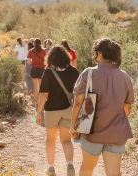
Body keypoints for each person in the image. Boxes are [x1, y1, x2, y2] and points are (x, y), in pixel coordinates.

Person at [70, 38, 134, 176]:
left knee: (87, 168)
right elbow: (127, 107)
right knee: (113, 172)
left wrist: (73, 126)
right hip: (116, 133)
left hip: (92, 131)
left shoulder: (89, 73)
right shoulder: (124, 76)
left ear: (98, 53)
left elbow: (77, 103)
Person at [36, 46, 79, 176]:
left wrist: (38, 113)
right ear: (66, 56)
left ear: (51, 58)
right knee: (66, 140)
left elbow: (44, 95)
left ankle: (51, 168)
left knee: (51, 140)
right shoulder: (72, 71)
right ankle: (70, 164)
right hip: (68, 110)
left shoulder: (48, 72)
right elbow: (78, 91)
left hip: (51, 111)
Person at [27, 38, 47, 104]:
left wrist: (34, 61)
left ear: (33, 44)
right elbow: (46, 62)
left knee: (35, 87)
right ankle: (42, 102)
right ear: (40, 44)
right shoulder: (44, 51)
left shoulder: (30, 51)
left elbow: (28, 62)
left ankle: (36, 102)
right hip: (42, 70)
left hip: (34, 69)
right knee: (42, 86)